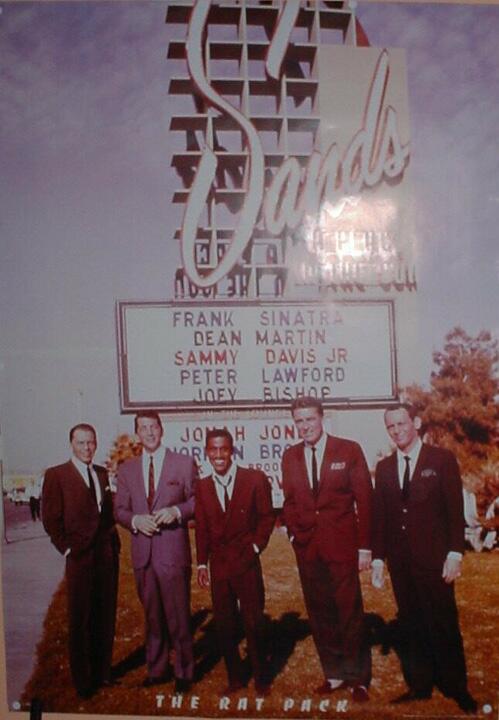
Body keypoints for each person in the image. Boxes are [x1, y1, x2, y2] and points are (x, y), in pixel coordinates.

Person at [371, 403, 477, 713]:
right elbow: (381, 518)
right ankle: (420, 686)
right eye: (390, 427)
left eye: (401, 423)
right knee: (411, 624)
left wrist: (455, 553)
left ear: (415, 422)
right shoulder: (386, 467)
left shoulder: (441, 460)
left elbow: (454, 512)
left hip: (435, 559)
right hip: (401, 563)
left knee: (443, 623)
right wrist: (378, 559)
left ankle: (457, 688)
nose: (397, 431)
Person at [281, 396, 372, 702]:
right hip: (308, 548)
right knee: (319, 612)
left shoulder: (348, 450)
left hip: (342, 546)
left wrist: (364, 547)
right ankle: (333, 675)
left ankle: (358, 678)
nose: (305, 426)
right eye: (299, 421)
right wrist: (295, 536)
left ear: (322, 418)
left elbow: (365, 500)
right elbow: (290, 502)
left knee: (349, 612)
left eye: (309, 419)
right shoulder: (290, 456)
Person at [114, 411, 196, 692]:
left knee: (178, 615)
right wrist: (136, 521)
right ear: (137, 432)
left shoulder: (183, 464)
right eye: (143, 428)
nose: (149, 432)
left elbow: (197, 500)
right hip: (143, 554)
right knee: (152, 616)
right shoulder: (127, 470)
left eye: (153, 427)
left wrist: (176, 511)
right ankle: (157, 669)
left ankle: (185, 671)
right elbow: (120, 510)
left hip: (172, 552)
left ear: (161, 429)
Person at [42, 423, 120, 698]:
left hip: (106, 556)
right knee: (81, 618)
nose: (87, 448)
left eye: (91, 443)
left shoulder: (101, 473)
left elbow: (106, 513)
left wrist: (113, 545)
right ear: (72, 444)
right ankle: (83, 681)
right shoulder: (56, 475)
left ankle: (103, 673)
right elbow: (51, 519)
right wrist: (66, 549)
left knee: (105, 615)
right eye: (81, 443)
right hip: (79, 557)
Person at [195, 429, 274, 696]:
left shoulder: (253, 479)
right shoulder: (202, 486)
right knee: (225, 624)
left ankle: (262, 678)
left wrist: (255, 546)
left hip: (246, 561)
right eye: (213, 450)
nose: (218, 455)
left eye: (223, 449)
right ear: (207, 452)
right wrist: (202, 563)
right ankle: (235, 678)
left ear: (232, 450)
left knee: (253, 621)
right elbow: (202, 527)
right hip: (219, 565)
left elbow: (266, 517)